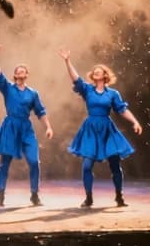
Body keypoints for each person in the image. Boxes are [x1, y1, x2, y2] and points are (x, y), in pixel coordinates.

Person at [58, 48, 142, 208]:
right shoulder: (87, 89)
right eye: (94, 71)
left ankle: (119, 196)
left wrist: (135, 122)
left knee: (115, 164)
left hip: (107, 129)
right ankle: (88, 197)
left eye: (99, 71)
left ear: (105, 75)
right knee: (87, 165)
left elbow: (122, 109)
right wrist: (67, 61)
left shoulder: (113, 93)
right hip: (91, 129)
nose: (96, 72)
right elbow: (75, 79)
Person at [0, 43, 53, 207]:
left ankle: (35, 195)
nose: (20, 73)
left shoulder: (33, 93)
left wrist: (48, 127)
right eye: (18, 71)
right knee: (4, 163)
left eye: (23, 71)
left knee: (34, 161)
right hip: (10, 126)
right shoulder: (8, 88)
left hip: (26, 128)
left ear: (27, 75)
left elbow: (40, 111)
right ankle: (0, 196)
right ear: (15, 75)